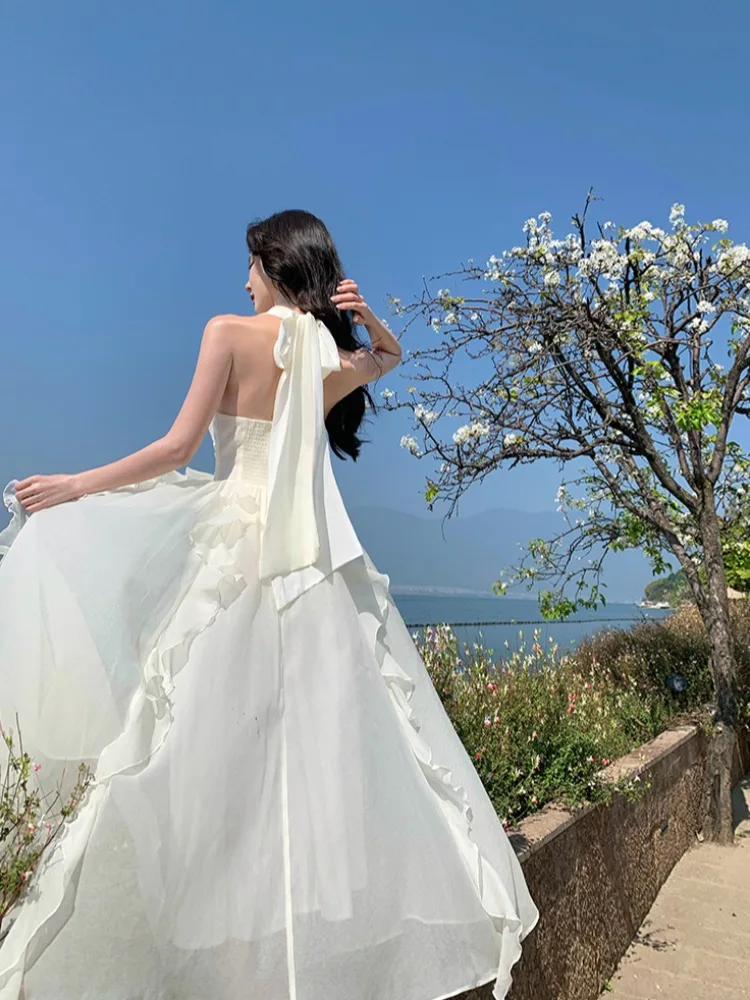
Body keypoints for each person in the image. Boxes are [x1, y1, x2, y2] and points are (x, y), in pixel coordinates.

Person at [0, 210, 538, 1000]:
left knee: (204, 754)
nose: (243, 281)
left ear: (276, 266)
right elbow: (389, 356)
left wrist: (75, 485)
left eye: (251, 266)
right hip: (313, 571)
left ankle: (221, 952)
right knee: (309, 763)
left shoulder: (228, 332)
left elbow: (176, 449)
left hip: (233, 561)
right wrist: (363, 316)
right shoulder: (326, 356)